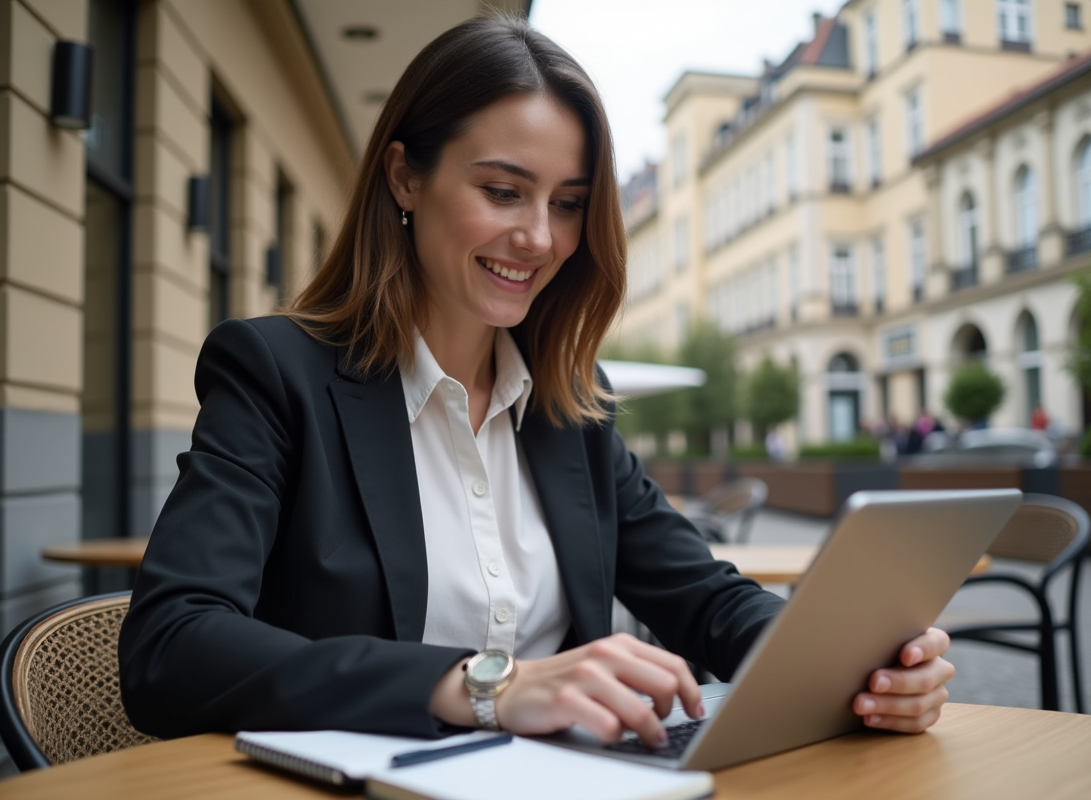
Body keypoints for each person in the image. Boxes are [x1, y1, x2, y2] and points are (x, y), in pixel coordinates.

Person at [119, 15, 954, 750]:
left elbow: (705, 598)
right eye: (502, 191)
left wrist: (860, 667)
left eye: (568, 203)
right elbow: (172, 647)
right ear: (405, 177)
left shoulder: (568, 406)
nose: (539, 237)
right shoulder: (276, 374)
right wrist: (490, 688)